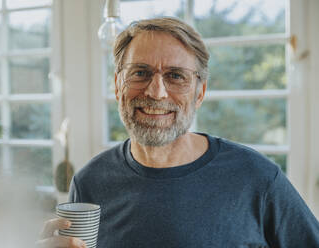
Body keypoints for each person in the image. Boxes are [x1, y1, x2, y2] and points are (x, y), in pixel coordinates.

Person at [38, 17, 319, 248]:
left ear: (199, 93)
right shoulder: (90, 182)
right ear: (117, 85)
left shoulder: (256, 177)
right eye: (140, 73)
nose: (156, 92)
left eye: (175, 76)